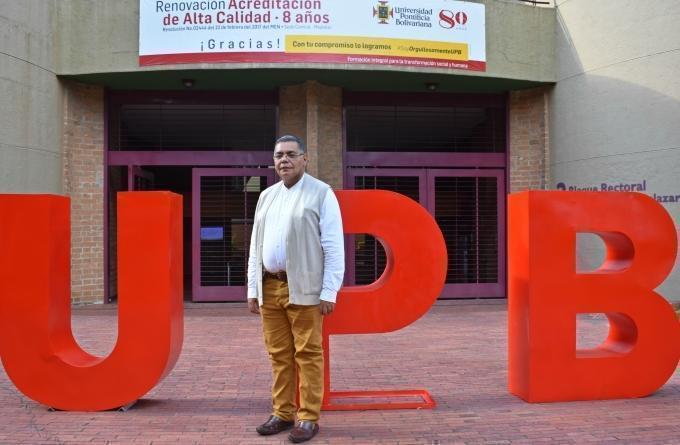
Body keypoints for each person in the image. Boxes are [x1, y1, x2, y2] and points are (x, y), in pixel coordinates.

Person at [247, 134, 344, 443]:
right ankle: (283, 413)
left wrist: (329, 291)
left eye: (291, 154)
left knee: (308, 353)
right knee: (278, 354)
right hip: (270, 288)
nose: (283, 160)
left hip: (305, 289)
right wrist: (253, 288)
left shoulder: (321, 193)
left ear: (305, 159)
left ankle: (308, 418)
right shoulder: (267, 196)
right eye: (278, 155)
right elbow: (255, 246)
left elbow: (333, 246)